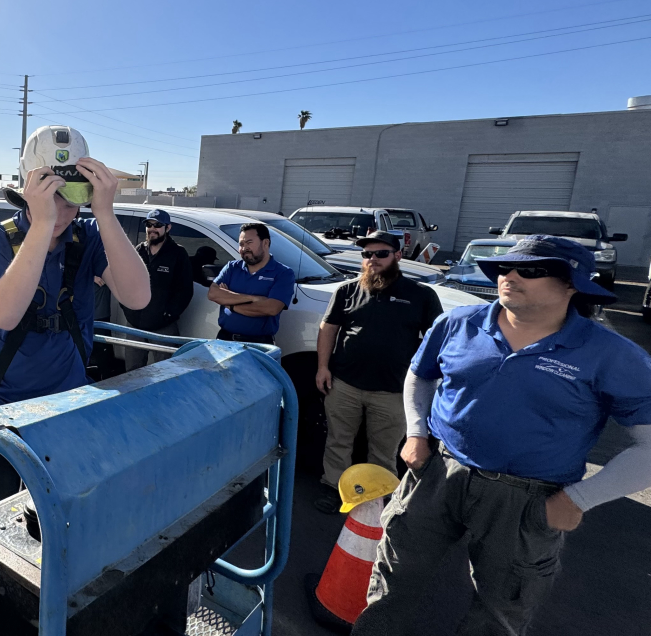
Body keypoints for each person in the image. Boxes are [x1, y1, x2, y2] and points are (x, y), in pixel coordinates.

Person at [354, 235, 651, 635]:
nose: (509, 276)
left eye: (530, 270)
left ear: (572, 285)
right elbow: (420, 376)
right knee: (392, 582)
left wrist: (580, 499)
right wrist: (416, 433)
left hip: (529, 498)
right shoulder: (457, 323)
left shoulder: (612, 354)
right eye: (504, 268)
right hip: (437, 474)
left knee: (499, 611)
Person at [0, 125, 150, 516]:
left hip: (69, 411)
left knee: (62, 526)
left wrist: (106, 214)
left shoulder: (90, 236)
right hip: (3, 414)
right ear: (28, 191)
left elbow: (138, 297)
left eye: (72, 198)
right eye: (50, 197)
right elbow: (5, 315)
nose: (62, 212)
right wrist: (41, 226)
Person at [312, 231, 442, 515]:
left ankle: (376, 500)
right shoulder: (347, 291)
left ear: (397, 256)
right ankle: (334, 487)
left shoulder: (421, 295)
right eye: (367, 254)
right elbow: (328, 329)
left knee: (383, 450)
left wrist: (428, 382)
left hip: (393, 390)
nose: (372, 259)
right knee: (338, 440)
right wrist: (323, 367)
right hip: (344, 383)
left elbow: (436, 340)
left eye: (381, 253)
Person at [120, 208, 193, 371]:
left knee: (165, 371)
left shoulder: (178, 253)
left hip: (163, 326)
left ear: (168, 228)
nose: (152, 229)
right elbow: (124, 280)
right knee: (132, 371)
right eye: (149, 225)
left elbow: (185, 290)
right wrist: (127, 309)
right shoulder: (139, 250)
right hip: (134, 323)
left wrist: (168, 314)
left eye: (158, 225)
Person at [207, 222, 295, 345]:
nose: (244, 248)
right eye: (241, 244)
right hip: (225, 340)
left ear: (265, 243)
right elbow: (213, 294)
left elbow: (271, 308)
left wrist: (229, 304)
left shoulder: (283, 273)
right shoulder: (232, 268)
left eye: (249, 243)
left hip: (259, 344)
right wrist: (252, 298)